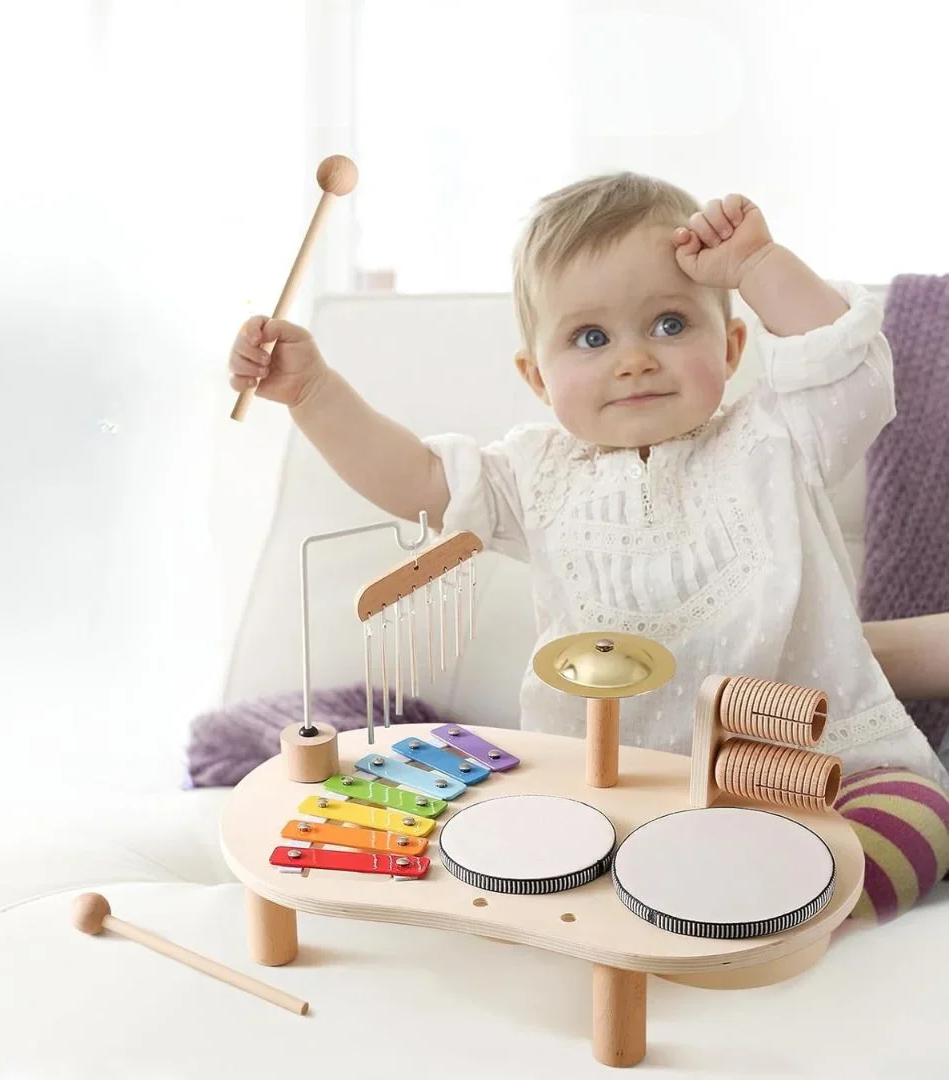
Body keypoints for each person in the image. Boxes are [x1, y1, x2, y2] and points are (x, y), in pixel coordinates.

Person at [230, 172, 949, 919]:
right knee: (521, 840)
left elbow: (846, 364)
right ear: (537, 378)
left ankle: (793, 917)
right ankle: (688, 901)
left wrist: (757, 265)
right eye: (592, 338)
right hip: (609, 786)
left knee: (918, 816)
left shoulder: (775, 438)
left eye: (671, 324)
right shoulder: (534, 474)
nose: (634, 358)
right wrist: (312, 393)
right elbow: (415, 479)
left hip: (819, 769)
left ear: (733, 346)